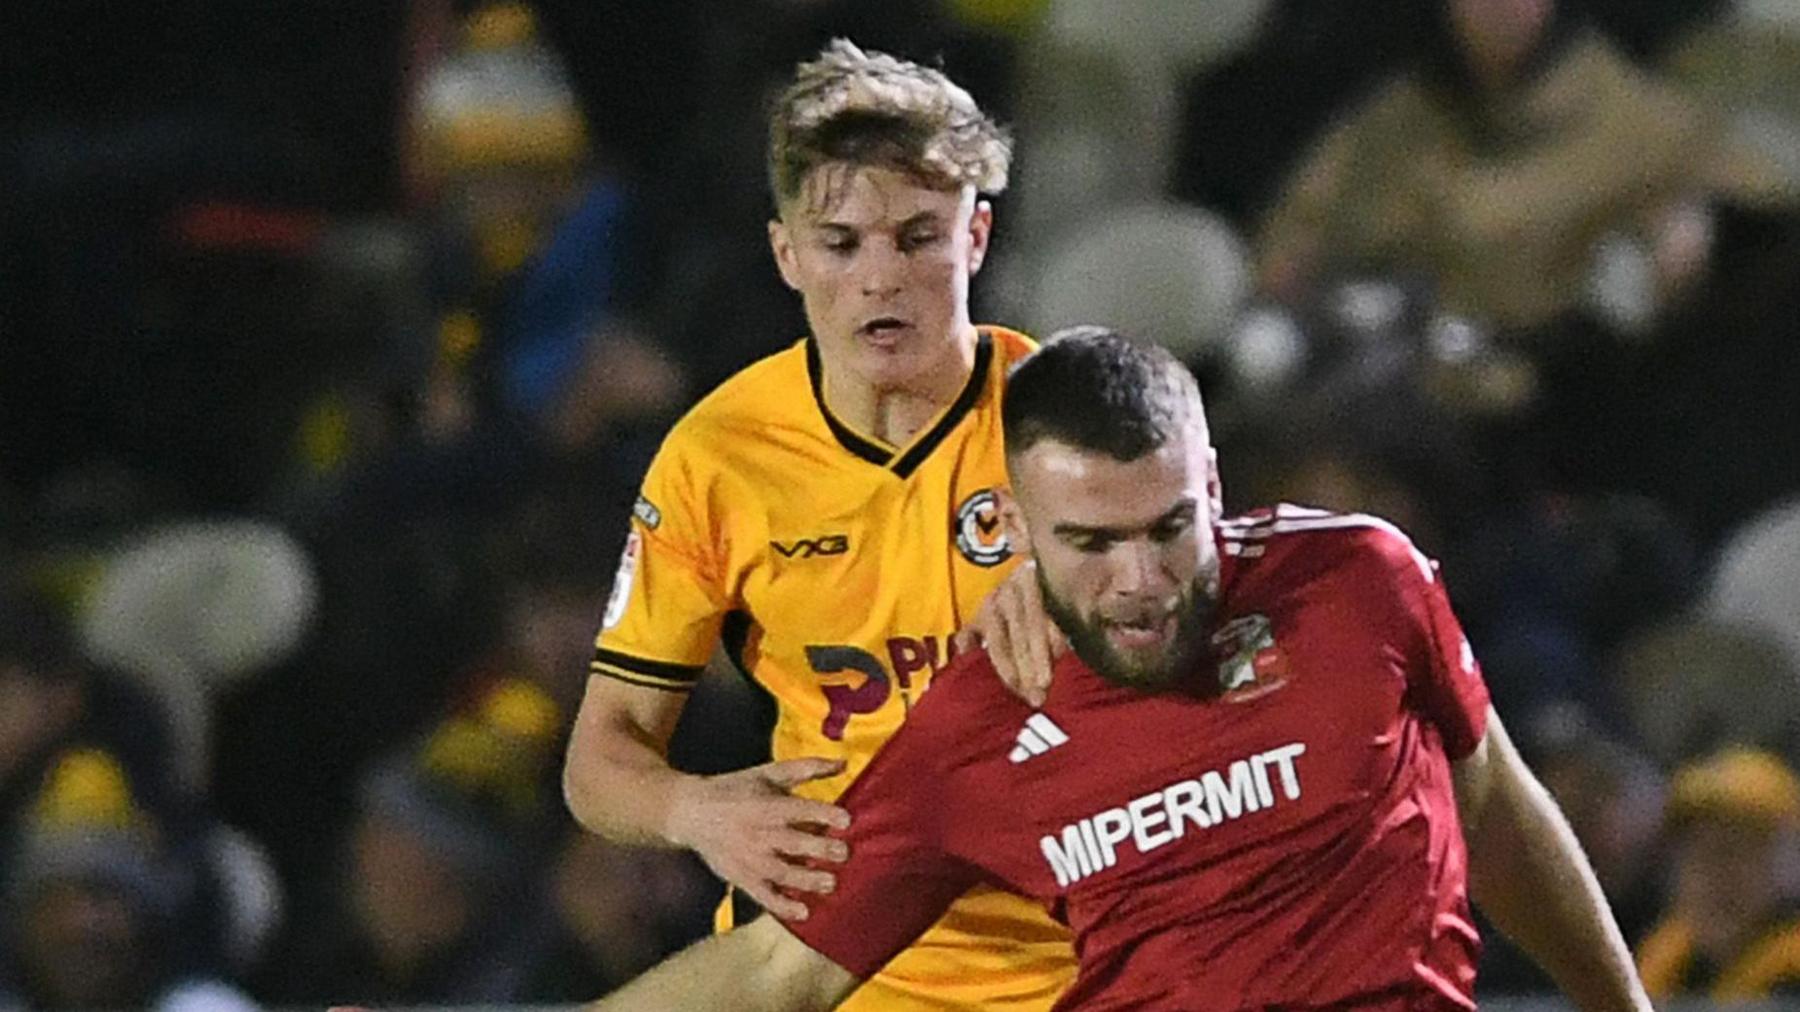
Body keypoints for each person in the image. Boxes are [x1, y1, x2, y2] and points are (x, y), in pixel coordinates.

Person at [589, 328, 1652, 1012]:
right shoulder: (981, 724)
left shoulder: (1359, 582)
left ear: (1215, 485)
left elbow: (1499, 811)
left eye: (1171, 527)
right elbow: (780, 970)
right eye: (1093, 544)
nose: (1142, 580)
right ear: (1014, 528)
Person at [561, 38, 1074, 1010]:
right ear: (786, 255)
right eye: (842, 244)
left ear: (976, 239)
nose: (880, 277)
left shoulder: (1070, 424)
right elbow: (600, 757)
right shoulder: (719, 458)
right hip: (826, 975)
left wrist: (1092, 590)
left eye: (919, 236)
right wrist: (694, 807)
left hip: (1066, 970)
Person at [1636, 747, 1800, 1000]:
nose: (1711, 878)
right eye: (1694, 853)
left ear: (1786, 866)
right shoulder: (1666, 957)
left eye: (1731, 852)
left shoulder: (1792, 972)